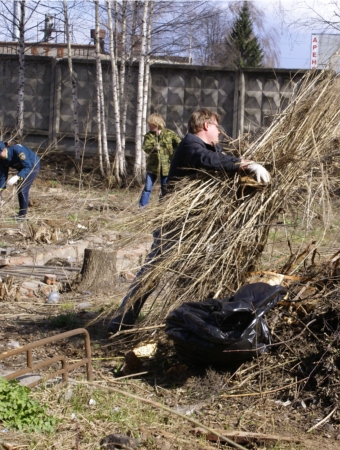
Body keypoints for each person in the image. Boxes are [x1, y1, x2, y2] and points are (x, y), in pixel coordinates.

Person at [108, 108, 270, 334]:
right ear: (205, 126)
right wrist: (243, 163)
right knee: (153, 272)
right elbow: (207, 160)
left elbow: (219, 160)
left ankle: (202, 324)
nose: (220, 132)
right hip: (175, 223)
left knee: (204, 271)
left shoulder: (212, 148)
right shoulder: (190, 145)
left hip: (198, 224)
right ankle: (121, 322)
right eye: (216, 126)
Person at [138, 113, 181, 208]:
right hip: (153, 166)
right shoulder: (149, 136)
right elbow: (145, 147)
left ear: (157, 124)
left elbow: (179, 144)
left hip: (166, 167)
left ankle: (162, 207)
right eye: (149, 124)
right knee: (147, 188)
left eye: (151, 124)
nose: (149, 126)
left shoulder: (169, 134)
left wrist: (175, 154)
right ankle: (142, 207)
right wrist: (153, 148)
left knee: (165, 188)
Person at [0, 141, 41, 219]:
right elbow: (2, 174)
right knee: (20, 189)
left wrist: (18, 176)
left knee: (22, 189)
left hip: (33, 165)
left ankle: (22, 216)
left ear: (3, 150)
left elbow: (28, 166)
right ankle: (22, 212)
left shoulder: (17, 150)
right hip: (23, 167)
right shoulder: (2, 159)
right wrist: (0, 189)